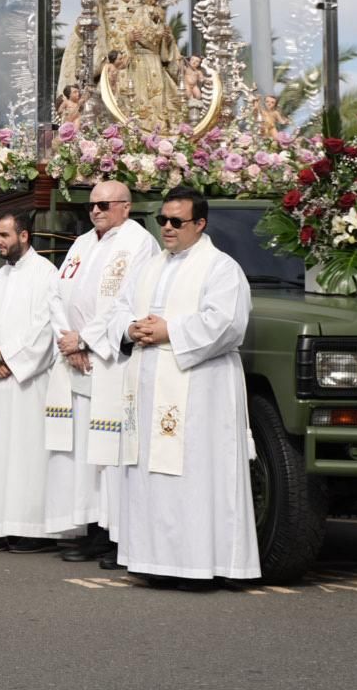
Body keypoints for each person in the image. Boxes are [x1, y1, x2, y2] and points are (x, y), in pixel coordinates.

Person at [104, 187, 259, 585]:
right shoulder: (148, 266)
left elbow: (227, 323)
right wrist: (130, 327)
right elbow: (119, 308)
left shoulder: (221, 268)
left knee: (192, 472)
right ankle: (152, 561)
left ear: (200, 224)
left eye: (177, 222)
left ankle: (198, 564)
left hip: (199, 387)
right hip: (148, 382)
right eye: (163, 221)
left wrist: (169, 330)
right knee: (149, 474)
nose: (168, 229)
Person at [46, 179, 159, 564]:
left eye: (105, 204)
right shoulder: (82, 244)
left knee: (112, 453)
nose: (96, 211)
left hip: (112, 361)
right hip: (77, 361)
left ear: (126, 206)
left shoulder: (139, 243)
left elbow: (127, 304)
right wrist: (67, 340)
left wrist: (86, 340)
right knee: (85, 455)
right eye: (92, 205)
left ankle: (119, 537)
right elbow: (57, 296)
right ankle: (93, 528)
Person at [0, 210, 66, 553]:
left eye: (4, 235)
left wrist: (8, 357)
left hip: (29, 385)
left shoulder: (46, 275)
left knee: (27, 456)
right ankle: (1, 527)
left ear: (24, 236)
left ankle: (32, 531)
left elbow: (46, 328)